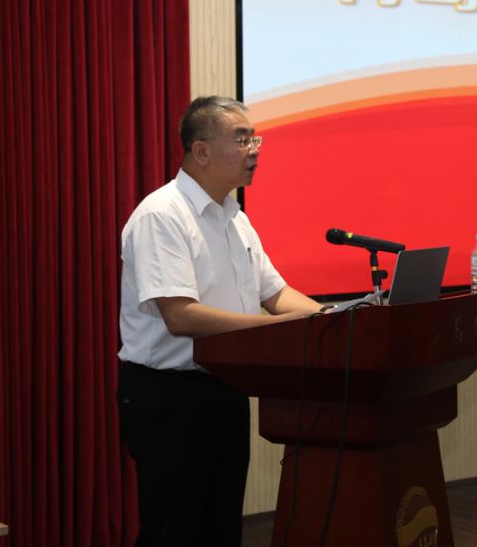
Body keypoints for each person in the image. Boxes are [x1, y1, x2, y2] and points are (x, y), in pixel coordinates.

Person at [117, 95, 324, 547]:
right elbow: (180, 315)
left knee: (221, 528)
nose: (255, 150)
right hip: (169, 397)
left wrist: (334, 318)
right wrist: (281, 328)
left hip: (225, 389)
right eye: (242, 139)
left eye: (255, 139)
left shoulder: (236, 219)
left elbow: (276, 294)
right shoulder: (161, 215)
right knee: (174, 531)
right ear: (202, 150)